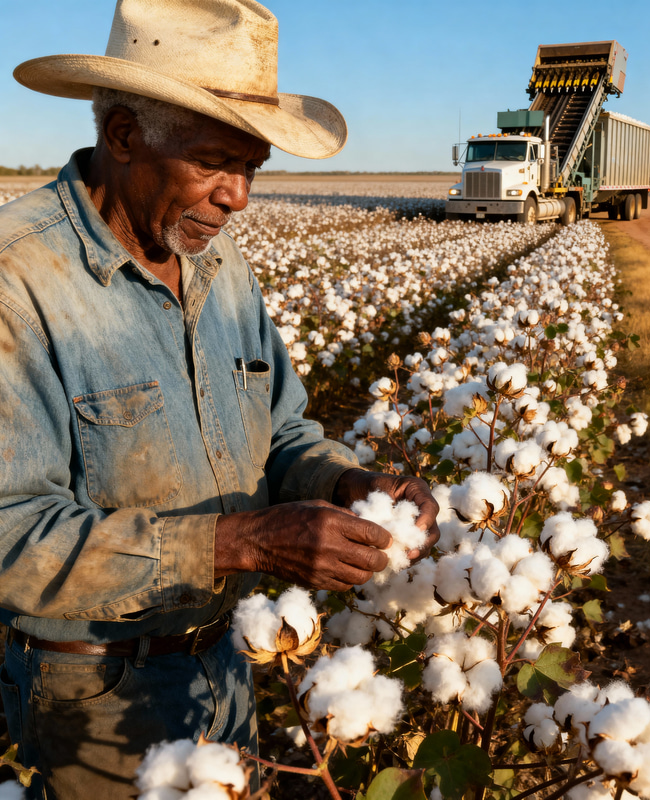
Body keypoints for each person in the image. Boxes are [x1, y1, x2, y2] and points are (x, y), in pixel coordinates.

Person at [0, 1, 439, 797]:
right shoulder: (17, 283)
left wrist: (348, 484)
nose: (238, 198)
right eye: (213, 163)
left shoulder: (218, 263)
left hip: (229, 667)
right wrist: (236, 545)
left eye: (253, 168)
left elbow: (281, 429)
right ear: (125, 135)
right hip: (89, 699)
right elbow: (10, 538)